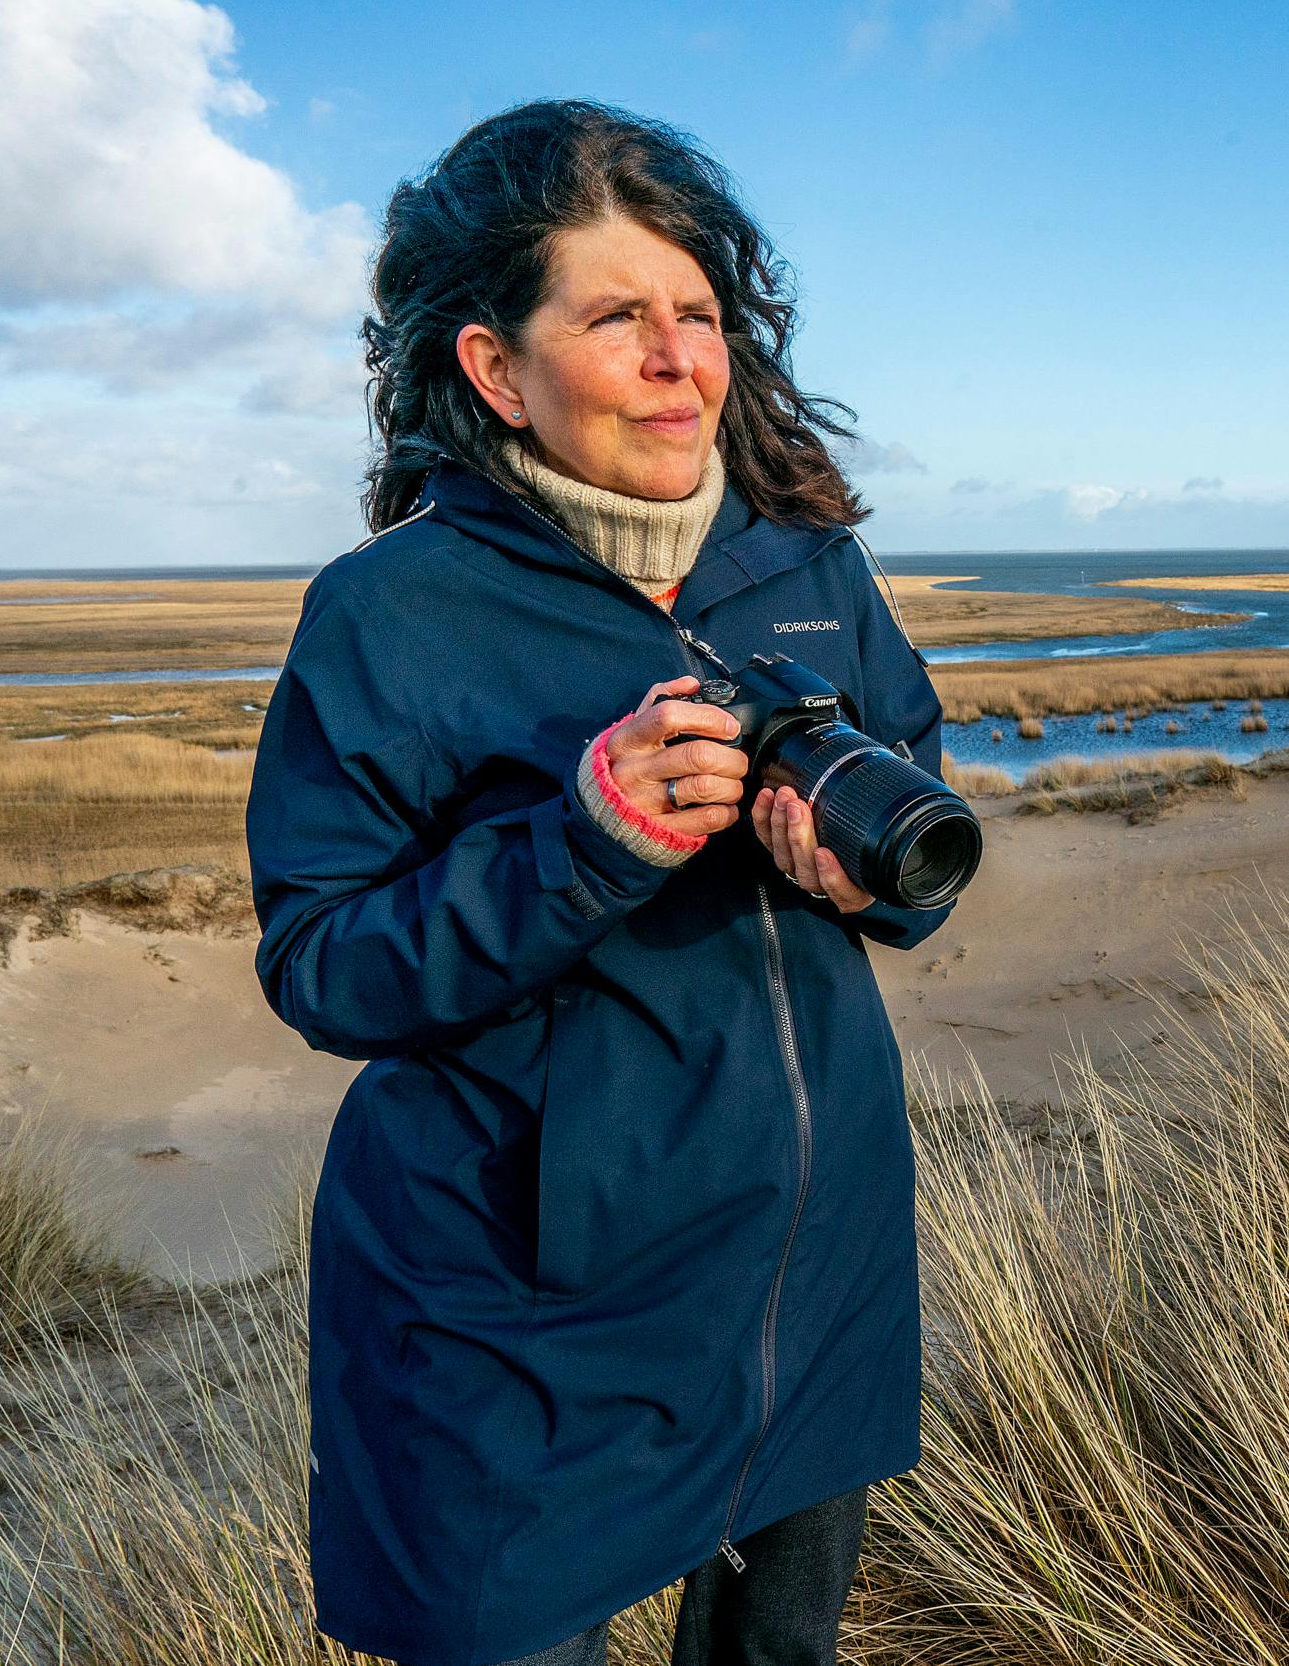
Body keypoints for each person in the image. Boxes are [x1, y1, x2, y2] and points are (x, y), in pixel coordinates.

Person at [244, 97, 957, 1666]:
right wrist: (583, 844)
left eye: (696, 314)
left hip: (802, 1261)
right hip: (517, 1300)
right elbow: (322, 962)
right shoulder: (391, 614)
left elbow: (923, 823)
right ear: (496, 367)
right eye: (617, 315)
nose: (675, 358)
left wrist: (866, 883)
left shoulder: (804, 563)